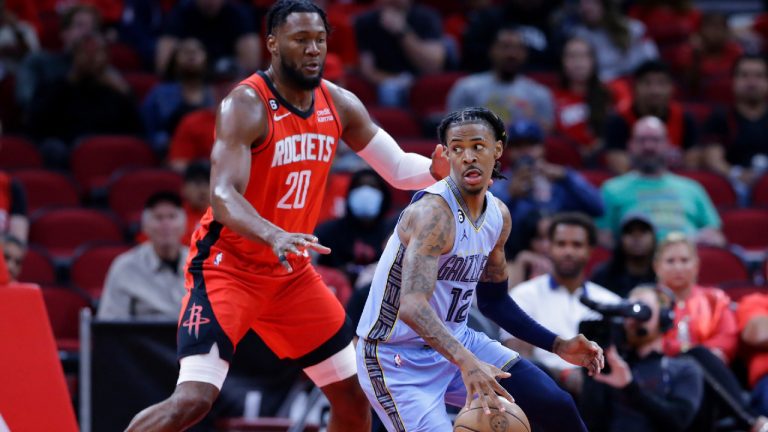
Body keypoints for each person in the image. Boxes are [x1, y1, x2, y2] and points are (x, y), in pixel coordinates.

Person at [125, 1, 452, 430]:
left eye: (319, 39)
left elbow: (396, 169)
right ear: (273, 44)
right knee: (194, 400)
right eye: (301, 40)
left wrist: (434, 170)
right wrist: (272, 234)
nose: (313, 49)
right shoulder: (245, 104)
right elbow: (222, 196)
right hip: (228, 270)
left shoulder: (339, 103)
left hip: (290, 277)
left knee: (354, 397)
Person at [356, 107, 603, 432]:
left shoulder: (498, 215)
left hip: (458, 341)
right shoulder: (433, 214)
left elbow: (493, 301)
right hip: (396, 358)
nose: (468, 156)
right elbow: (412, 305)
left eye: (478, 146)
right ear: (446, 154)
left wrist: (558, 345)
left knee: (555, 405)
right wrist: (466, 362)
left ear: (497, 150)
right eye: (457, 149)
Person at [654, 232, 767, 432]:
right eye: (670, 261)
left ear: (696, 266)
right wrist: (688, 352)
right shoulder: (648, 301)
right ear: (657, 267)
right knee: (695, 356)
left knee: (699, 361)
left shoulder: (714, 299)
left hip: (709, 380)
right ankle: (752, 421)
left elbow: (728, 336)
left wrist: (707, 355)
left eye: (684, 260)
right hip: (662, 374)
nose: (678, 267)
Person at [501, 212, 620, 394]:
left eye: (577, 245)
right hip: (541, 391)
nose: (568, 251)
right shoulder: (523, 295)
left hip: (602, 393)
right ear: (549, 247)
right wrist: (562, 375)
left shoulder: (610, 301)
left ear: (590, 250)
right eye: (561, 244)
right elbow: (518, 359)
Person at [580, 285, 704, 432]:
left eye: (643, 309)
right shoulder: (611, 366)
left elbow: (678, 420)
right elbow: (590, 421)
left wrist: (629, 388)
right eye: (628, 309)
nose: (633, 318)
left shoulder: (684, 368)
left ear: (664, 317)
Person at [597, 116, 724, 248]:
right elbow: (603, 237)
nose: (649, 146)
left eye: (656, 140)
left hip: (684, 261)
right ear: (630, 145)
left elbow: (716, 235)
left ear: (668, 144)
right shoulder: (611, 189)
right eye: (642, 140)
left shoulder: (692, 188)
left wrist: (708, 238)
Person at [490, 119, 604, 249]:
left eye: (531, 145)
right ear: (508, 151)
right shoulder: (499, 185)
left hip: (560, 251)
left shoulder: (560, 180)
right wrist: (509, 194)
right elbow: (484, 225)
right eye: (518, 146)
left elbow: (598, 207)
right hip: (514, 255)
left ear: (542, 148)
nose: (525, 151)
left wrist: (566, 176)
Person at [98, 192, 188, 320]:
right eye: (158, 218)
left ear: (183, 225)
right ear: (145, 227)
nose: (166, 224)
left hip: (193, 337)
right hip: (143, 338)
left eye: (172, 217)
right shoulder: (125, 267)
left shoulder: (201, 263)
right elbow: (110, 322)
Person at [447, 25, 554, 131]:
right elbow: (453, 131)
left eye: (518, 48)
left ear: (526, 54)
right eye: (505, 47)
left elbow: (545, 136)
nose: (511, 54)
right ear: (491, 50)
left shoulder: (540, 94)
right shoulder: (467, 88)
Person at [603, 61, 699, 174]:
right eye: (647, 83)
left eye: (661, 83)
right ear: (635, 87)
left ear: (672, 88)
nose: (655, 91)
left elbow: (691, 168)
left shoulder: (685, 119)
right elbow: (619, 168)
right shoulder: (618, 121)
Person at [702, 55, 768, 206]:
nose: (751, 82)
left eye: (759, 76)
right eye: (744, 75)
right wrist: (736, 174)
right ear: (733, 81)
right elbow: (713, 159)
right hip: (734, 184)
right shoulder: (720, 117)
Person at [354, 0, 446, 107]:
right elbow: (367, 71)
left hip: (422, 82)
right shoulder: (365, 21)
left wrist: (402, 31)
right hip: (385, 85)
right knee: (390, 90)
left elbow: (434, 66)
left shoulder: (427, 17)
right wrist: (396, 80)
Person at [314, 169, 394, 283]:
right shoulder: (327, 232)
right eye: (359, 186)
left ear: (383, 195)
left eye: (373, 187)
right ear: (349, 194)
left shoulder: (392, 233)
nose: (366, 193)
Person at [142, 37, 215, 154]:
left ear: (207, 59)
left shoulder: (216, 94)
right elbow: (147, 131)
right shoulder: (159, 94)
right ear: (174, 60)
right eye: (185, 51)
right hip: (170, 157)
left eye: (197, 51)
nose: (191, 54)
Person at [156, 0, 261, 79]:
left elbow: (251, 66)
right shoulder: (180, 14)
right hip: (186, 83)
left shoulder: (239, 15)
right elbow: (163, 65)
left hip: (227, 83)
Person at [553, 37, 617, 161]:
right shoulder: (553, 97)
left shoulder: (608, 95)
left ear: (593, 61)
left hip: (602, 160)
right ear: (562, 61)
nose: (578, 62)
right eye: (572, 56)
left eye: (584, 56)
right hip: (566, 161)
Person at [569, 0, 659, 81]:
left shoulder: (635, 28)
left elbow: (651, 58)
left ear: (605, 5)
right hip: (601, 86)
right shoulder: (580, 35)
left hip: (635, 81)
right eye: (583, 3)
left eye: (592, 3)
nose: (586, 7)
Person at [591, 213, 657, 298]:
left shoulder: (662, 275)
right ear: (620, 238)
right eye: (629, 232)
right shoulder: (603, 275)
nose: (636, 237)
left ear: (653, 238)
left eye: (643, 231)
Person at [181, 161, 210, 246]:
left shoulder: (222, 217)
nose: (203, 190)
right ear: (184, 188)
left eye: (208, 183)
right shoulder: (172, 216)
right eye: (198, 183)